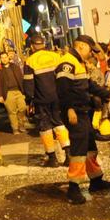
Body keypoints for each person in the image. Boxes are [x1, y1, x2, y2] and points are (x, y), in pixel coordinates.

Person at [54, 35, 110, 204]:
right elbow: (63, 89)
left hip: (82, 111)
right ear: (81, 47)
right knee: (79, 150)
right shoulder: (67, 63)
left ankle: (96, 180)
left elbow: (90, 86)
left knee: (90, 146)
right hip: (75, 112)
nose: (91, 54)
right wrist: (69, 108)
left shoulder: (79, 63)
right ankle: (74, 187)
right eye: (90, 51)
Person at [24, 34, 72, 167]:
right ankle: (68, 154)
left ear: (32, 46)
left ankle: (52, 158)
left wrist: (29, 101)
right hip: (57, 97)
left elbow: (29, 83)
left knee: (45, 127)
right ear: (44, 44)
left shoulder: (30, 61)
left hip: (41, 99)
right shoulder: (56, 56)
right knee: (59, 123)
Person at [0, 50, 28, 134]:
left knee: (22, 108)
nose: (4, 59)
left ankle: (21, 124)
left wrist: (24, 91)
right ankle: (15, 128)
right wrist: (0, 96)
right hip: (8, 92)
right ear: (0, 59)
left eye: (5, 57)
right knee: (12, 111)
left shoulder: (15, 67)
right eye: (2, 58)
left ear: (8, 58)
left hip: (18, 91)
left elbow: (21, 78)